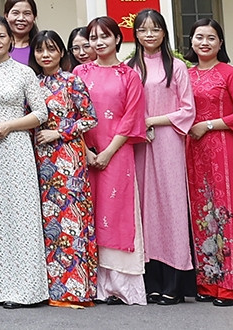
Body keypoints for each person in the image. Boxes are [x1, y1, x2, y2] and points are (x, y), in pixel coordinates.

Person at [0, 17, 49, 307]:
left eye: (2, 36)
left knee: (19, 217)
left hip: (14, 148)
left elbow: (41, 114)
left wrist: (11, 126)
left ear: (11, 39)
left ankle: (24, 289)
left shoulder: (25, 73)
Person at [183, 18, 233, 305]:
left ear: (220, 43)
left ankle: (232, 286)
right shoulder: (186, 74)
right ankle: (208, 283)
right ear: (191, 41)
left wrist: (208, 125)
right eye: (199, 37)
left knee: (225, 212)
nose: (204, 42)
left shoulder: (230, 73)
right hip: (192, 150)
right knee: (202, 213)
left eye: (211, 37)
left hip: (223, 147)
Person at [74, 16, 148, 304]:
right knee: (89, 211)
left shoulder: (129, 75)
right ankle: (93, 284)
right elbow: (74, 114)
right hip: (85, 152)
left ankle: (120, 285)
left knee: (117, 213)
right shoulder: (80, 72)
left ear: (117, 39)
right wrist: (87, 150)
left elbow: (131, 118)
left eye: (104, 36)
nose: (98, 42)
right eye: (93, 38)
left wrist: (106, 153)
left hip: (117, 153)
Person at [127, 8, 196, 303]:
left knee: (171, 206)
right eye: (143, 30)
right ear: (136, 35)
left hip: (168, 140)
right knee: (145, 207)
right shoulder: (129, 66)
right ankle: (151, 280)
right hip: (139, 143)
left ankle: (174, 283)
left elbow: (187, 110)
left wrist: (153, 121)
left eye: (155, 29)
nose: (149, 35)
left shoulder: (176, 66)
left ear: (164, 33)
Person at [30, 29, 98, 307]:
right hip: (37, 158)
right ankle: (49, 288)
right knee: (46, 223)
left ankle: (76, 289)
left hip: (67, 158)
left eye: (51, 49)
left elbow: (89, 119)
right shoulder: (32, 82)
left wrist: (59, 133)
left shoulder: (72, 81)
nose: (45, 55)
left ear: (61, 52)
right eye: (40, 50)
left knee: (71, 221)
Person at [3, 0, 39, 64]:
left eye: (27, 13)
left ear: (34, 17)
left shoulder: (41, 48)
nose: (21, 18)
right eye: (15, 13)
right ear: (6, 16)